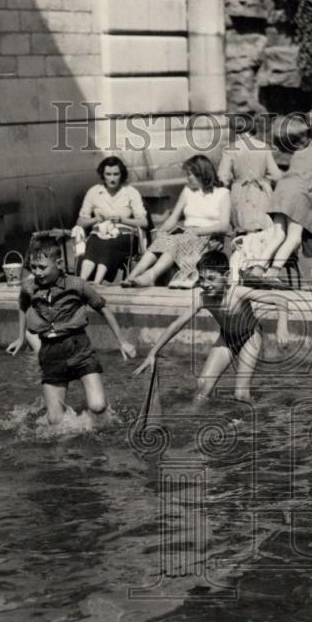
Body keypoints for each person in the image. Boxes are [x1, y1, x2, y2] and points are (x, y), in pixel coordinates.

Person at [133, 251, 291, 405]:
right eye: (201, 279)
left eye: (211, 278)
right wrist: (152, 353)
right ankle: (192, 420)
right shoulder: (203, 299)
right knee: (202, 390)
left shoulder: (238, 293)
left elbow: (280, 300)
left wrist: (282, 327)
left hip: (250, 337)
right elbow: (176, 325)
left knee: (241, 395)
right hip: (227, 337)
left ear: (227, 276)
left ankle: (256, 413)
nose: (206, 284)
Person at [7, 237, 136, 424]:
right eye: (33, 267)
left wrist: (122, 341)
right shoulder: (29, 287)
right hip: (51, 353)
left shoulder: (76, 285)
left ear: (58, 263)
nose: (37, 272)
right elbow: (22, 306)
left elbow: (103, 308)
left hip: (79, 349)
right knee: (56, 421)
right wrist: (20, 338)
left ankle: (106, 420)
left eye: (42, 267)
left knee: (98, 406)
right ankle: (64, 422)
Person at [251, 119, 312, 282]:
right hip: (300, 194)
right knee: (294, 237)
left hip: (282, 191)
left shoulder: (299, 152)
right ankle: (273, 272)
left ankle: (257, 268)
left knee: (278, 234)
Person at [123, 155, 230, 288]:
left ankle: (151, 275)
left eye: (190, 174)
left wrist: (195, 231)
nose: (188, 178)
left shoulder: (222, 193)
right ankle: (133, 275)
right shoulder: (187, 191)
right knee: (163, 239)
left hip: (208, 237)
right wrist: (160, 232)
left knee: (176, 240)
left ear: (201, 174)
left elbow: (224, 226)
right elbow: (173, 218)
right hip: (187, 234)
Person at [217, 116, 283, 282]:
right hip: (262, 192)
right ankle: (259, 267)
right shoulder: (263, 147)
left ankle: (240, 268)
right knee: (262, 232)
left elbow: (222, 177)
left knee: (244, 232)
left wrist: (233, 179)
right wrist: (263, 178)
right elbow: (276, 174)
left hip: (240, 193)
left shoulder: (230, 149)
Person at [74, 156, 149, 284]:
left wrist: (122, 220)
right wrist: (95, 219)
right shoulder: (94, 192)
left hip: (124, 235)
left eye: (116, 174)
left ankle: (97, 283)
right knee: (93, 242)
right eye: (108, 174)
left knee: (109, 244)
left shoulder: (130, 192)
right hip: (99, 233)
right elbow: (80, 222)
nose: (112, 178)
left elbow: (144, 222)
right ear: (103, 175)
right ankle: (82, 283)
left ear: (122, 175)